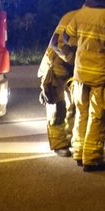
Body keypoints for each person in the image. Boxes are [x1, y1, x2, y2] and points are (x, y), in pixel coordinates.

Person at [55, 0, 105, 171]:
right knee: (97, 116)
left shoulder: (81, 15)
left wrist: (84, 47)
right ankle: (92, 158)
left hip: (80, 74)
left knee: (82, 114)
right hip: (102, 76)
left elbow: (66, 38)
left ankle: (79, 151)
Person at [38, 10, 77, 157]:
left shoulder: (80, 17)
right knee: (57, 107)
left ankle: (71, 138)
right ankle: (59, 144)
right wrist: (74, 59)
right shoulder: (74, 18)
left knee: (73, 105)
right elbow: (56, 43)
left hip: (70, 70)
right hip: (55, 68)